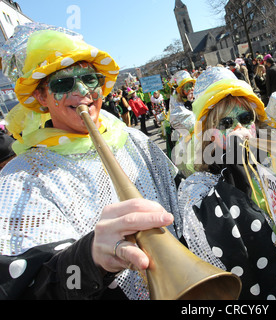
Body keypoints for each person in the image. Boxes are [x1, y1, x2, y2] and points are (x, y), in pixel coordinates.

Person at [0, 23, 181, 300]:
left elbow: (181, 200)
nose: (83, 91)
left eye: (90, 79)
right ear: (41, 97)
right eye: (63, 83)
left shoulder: (136, 140)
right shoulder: (20, 177)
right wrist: (90, 257)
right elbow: (28, 286)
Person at [178, 66, 276, 300]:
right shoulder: (201, 187)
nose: (239, 128)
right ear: (208, 134)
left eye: (245, 119)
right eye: (226, 123)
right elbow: (222, 243)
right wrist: (234, 160)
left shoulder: (272, 163)